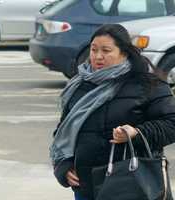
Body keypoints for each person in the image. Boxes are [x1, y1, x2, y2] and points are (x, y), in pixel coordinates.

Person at [50, 24, 175, 200]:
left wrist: (137, 133)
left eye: (106, 50)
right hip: (85, 185)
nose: (98, 56)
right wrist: (63, 165)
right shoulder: (79, 84)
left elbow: (171, 124)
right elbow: (64, 131)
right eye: (94, 50)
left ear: (124, 53)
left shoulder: (147, 85)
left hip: (131, 184)